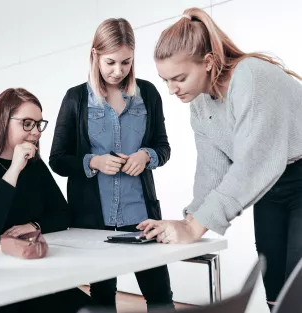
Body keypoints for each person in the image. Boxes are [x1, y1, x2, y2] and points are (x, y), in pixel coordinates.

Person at [138, 7, 302, 311]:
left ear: (209, 63)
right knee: (276, 291)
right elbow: (211, 170)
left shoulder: (251, 76)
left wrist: (195, 228)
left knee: (299, 291)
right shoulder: (200, 104)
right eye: (166, 81)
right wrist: (188, 220)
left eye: (179, 78)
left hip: (293, 173)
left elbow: (256, 164)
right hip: (271, 187)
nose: (172, 89)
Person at [49, 18, 174, 312]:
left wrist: (146, 156)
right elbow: (57, 159)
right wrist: (92, 161)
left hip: (142, 218)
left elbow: (163, 147)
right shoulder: (75, 99)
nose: (118, 71)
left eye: (126, 62)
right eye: (111, 62)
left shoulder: (148, 95)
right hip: (94, 222)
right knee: (103, 299)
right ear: (95, 55)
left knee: (160, 297)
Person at [0, 87, 92, 313]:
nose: (36, 132)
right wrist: (13, 170)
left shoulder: (35, 165)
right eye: (27, 123)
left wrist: (33, 225)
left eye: (39, 124)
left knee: (96, 309)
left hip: (33, 271)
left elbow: (63, 214)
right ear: (3, 121)